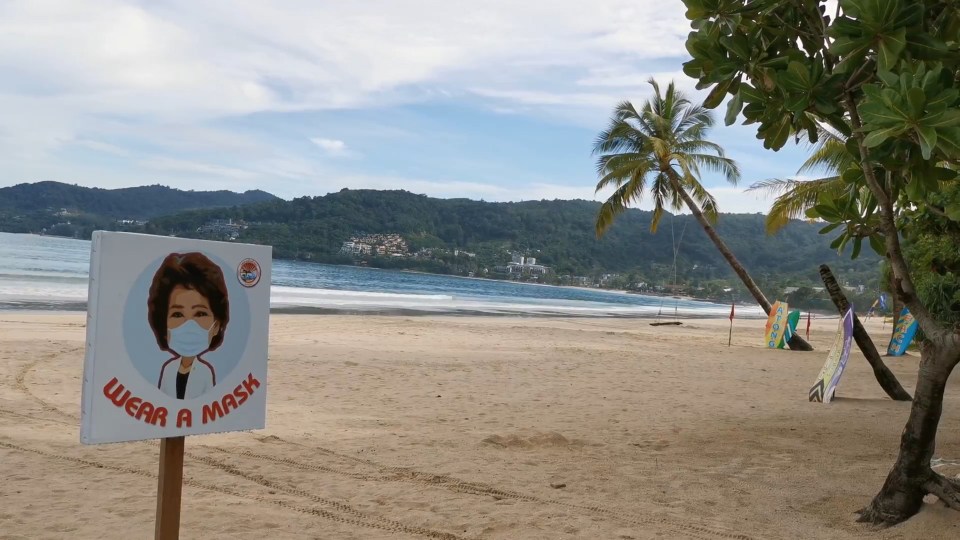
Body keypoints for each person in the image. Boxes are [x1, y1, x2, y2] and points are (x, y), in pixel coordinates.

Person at [147, 252, 230, 399]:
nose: (189, 325)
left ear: (216, 325)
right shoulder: (168, 370)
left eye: (200, 314)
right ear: (163, 325)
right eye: (177, 315)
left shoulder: (206, 372)